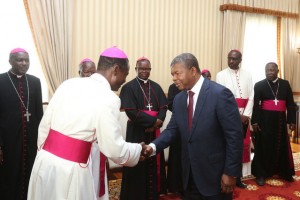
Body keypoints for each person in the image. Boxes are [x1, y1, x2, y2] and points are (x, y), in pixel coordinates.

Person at [27, 46, 145, 200]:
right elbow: (114, 149)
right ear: (116, 69)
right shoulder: (109, 98)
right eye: (125, 74)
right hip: (73, 171)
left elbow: (44, 127)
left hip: (45, 162)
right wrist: (137, 149)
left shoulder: (67, 84)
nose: (124, 80)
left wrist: (45, 156)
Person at [144, 53, 243, 200]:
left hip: (215, 176)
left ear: (193, 71)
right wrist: (152, 147)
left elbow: (234, 136)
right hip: (188, 176)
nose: (174, 78)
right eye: (172, 74)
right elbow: (172, 130)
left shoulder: (220, 94)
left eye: (177, 73)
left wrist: (230, 172)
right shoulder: (179, 99)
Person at [119, 56, 168, 200]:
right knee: (138, 164)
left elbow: (164, 107)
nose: (145, 71)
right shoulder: (128, 87)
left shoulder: (156, 87)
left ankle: (153, 193)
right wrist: (154, 122)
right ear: (136, 69)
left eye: (147, 69)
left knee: (154, 162)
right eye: (141, 68)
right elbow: (132, 112)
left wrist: (158, 122)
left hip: (155, 132)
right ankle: (136, 194)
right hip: (137, 132)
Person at [0, 48, 44, 200]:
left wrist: (42, 140)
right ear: (10, 61)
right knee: (10, 173)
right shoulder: (1, 81)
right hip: (9, 139)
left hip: (31, 139)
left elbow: (39, 113)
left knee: (31, 171)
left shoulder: (35, 81)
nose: (24, 63)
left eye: (27, 60)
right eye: (20, 60)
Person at [251, 62, 296, 186]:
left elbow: (290, 104)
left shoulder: (285, 84)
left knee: (281, 146)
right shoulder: (259, 85)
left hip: (280, 120)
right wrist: (254, 121)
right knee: (263, 147)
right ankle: (261, 174)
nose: (269, 72)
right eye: (267, 70)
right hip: (264, 120)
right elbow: (256, 105)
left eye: (272, 70)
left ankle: (284, 172)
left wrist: (292, 121)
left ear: (277, 70)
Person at [216, 49, 254, 189]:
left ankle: (239, 177)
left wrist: (246, 115)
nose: (231, 61)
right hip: (229, 116)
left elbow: (251, 96)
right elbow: (222, 97)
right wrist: (235, 115)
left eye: (235, 59)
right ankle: (227, 174)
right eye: (229, 58)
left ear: (240, 60)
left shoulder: (248, 75)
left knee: (242, 147)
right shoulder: (220, 75)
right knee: (229, 146)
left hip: (244, 116)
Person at [166, 83, 183, 195]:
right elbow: (170, 105)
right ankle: (174, 186)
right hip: (179, 124)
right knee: (177, 156)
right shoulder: (173, 87)